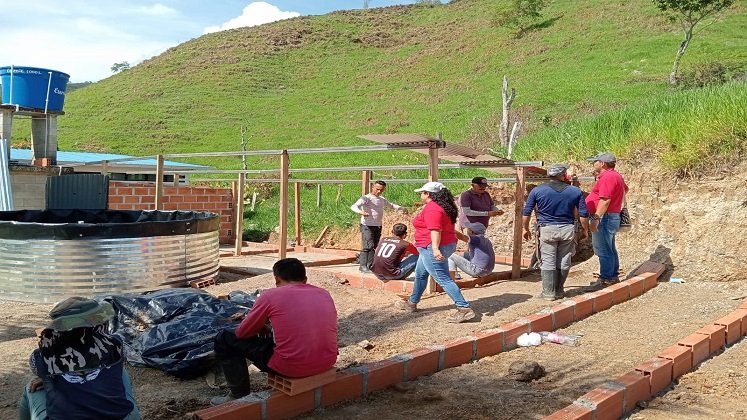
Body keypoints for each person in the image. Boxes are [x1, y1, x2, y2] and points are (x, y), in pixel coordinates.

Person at [212, 258, 338, 405]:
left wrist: (258, 325)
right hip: (327, 360)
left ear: (277, 279)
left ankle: (238, 395)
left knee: (225, 338)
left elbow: (242, 333)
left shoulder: (269, 296)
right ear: (305, 279)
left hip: (290, 366)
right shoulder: (324, 293)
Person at [18, 297, 141, 420]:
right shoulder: (116, 344)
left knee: (30, 388)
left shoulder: (40, 356)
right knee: (120, 370)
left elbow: (40, 370)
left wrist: (50, 377)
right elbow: (119, 362)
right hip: (121, 417)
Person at [395, 181, 476, 323]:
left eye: (422, 192)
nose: (420, 195)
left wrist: (435, 249)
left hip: (431, 247)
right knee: (420, 274)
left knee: (443, 278)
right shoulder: (444, 206)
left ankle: (464, 309)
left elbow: (435, 230)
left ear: (429, 194)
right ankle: (412, 303)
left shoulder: (433, 208)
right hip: (436, 245)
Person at [522, 164, 590, 300]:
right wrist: (585, 230)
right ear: (564, 175)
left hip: (547, 230)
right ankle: (559, 291)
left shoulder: (537, 191)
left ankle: (548, 293)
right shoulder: (575, 191)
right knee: (565, 259)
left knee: (548, 260)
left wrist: (525, 228)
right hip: (568, 229)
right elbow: (583, 214)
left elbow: (527, 211)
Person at [585, 152, 628, 286]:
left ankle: (606, 279)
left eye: (595, 161)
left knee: (603, 250)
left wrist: (596, 219)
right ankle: (612, 276)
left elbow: (605, 200)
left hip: (605, 218)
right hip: (611, 216)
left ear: (602, 163)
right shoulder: (616, 176)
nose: (594, 164)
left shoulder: (607, 177)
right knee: (609, 248)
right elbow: (625, 190)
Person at [350, 180, 407, 273]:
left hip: (377, 225)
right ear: (373, 187)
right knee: (368, 245)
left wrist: (401, 208)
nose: (379, 191)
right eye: (377, 189)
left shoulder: (381, 199)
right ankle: (363, 266)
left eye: (381, 190)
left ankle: (369, 265)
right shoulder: (366, 198)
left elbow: (391, 205)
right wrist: (361, 212)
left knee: (374, 246)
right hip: (367, 225)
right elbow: (354, 206)